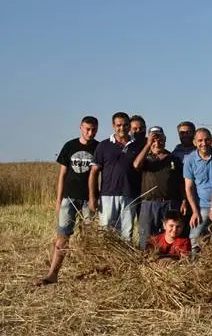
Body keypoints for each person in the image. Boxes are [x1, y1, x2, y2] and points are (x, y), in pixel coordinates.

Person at [38, 116, 99, 285]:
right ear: (80, 127)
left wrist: (95, 198)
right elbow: (62, 175)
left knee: (91, 237)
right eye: (87, 129)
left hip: (89, 200)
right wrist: (59, 200)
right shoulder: (70, 146)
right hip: (69, 198)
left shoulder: (98, 147)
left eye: (94, 129)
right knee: (63, 236)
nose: (90, 132)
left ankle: (91, 272)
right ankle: (53, 274)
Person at [89, 112, 147, 243]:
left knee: (127, 233)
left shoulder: (137, 146)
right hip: (107, 195)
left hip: (129, 195)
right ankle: (105, 261)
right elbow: (94, 172)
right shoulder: (103, 145)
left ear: (129, 126)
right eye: (118, 125)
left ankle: (124, 262)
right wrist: (92, 196)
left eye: (125, 125)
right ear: (113, 126)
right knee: (105, 232)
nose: (122, 128)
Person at [132, 126, 186, 250]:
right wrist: (148, 145)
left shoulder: (173, 158)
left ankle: (167, 260)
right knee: (146, 236)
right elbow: (136, 165)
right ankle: (146, 262)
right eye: (154, 139)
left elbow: (181, 182)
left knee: (170, 235)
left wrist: (183, 200)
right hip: (149, 204)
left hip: (169, 203)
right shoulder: (145, 157)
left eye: (160, 139)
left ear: (165, 139)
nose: (157, 142)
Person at [183, 128, 212, 251]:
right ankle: (195, 264)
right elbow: (189, 188)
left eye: (207, 140)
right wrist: (195, 211)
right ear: (195, 142)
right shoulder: (190, 160)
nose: (204, 143)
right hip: (203, 205)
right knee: (195, 236)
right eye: (200, 140)